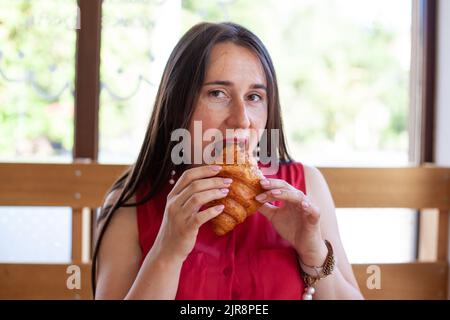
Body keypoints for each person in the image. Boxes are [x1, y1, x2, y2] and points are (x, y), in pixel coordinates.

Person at [92, 22, 364, 300]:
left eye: (254, 97)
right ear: (177, 104)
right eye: (217, 93)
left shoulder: (305, 187)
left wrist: (313, 253)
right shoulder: (132, 202)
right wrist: (167, 252)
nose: (242, 119)